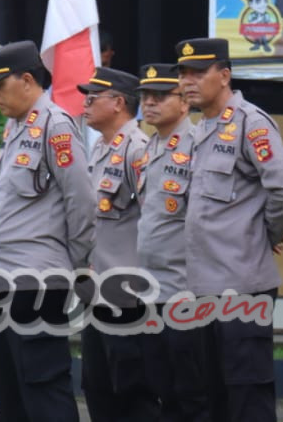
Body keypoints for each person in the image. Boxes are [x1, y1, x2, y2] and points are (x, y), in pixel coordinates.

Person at [0, 40, 94, 422]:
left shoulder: (56, 126)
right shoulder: (16, 127)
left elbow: (82, 202)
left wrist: (71, 265)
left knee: (43, 389)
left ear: (27, 79)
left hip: (37, 281)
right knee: (8, 390)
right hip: (4, 280)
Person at [176, 38, 283, 422]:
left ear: (224, 75)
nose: (187, 82)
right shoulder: (198, 130)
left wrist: (266, 237)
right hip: (202, 286)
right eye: (183, 73)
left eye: (198, 73)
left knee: (247, 397)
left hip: (242, 284)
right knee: (212, 396)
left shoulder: (251, 122)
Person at [75, 66, 157, 422]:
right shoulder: (101, 150)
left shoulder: (136, 150)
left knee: (132, 392)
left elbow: (155, 220)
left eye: (94, 98)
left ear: (119, 103)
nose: (86, 104)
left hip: (127, 294)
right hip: (99, 292)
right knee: (97, 387)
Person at [132, 63, 211, 422]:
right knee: (162, 387)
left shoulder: (197, 144)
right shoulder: (148, 146)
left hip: (184, 288)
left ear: (184, 102)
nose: (150, 103)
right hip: (152, 290)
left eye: (160, 96)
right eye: (145, 96)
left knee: (193, 391)